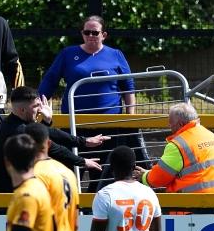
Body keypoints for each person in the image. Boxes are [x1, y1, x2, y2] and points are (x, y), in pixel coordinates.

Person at [38, 15, 146, 192]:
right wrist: (40, 104)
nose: (90, 36)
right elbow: (50, 81)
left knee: (104, 175)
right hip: (74, 126)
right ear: (82, 33)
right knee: (70, 171)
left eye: (95, 33)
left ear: (104, 35)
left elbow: (128, 86)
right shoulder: (67, 54)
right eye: (86, 32)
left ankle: (98, 204)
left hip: (108, 126)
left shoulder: (116, 55)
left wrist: (130, 117)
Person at [0, 86, 106, 192]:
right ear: (22, 110)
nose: (40, 110)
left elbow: (48, 132)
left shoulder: (15, 122)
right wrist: (83, 161)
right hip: (7, 194)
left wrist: (84, 141)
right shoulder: (19, 130)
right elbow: (53, 147)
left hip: (18, 189)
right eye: (36, 106)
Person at [136, 103, 214, 193]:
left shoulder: (178, 145)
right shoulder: (212, 136)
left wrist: (144, 176)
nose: (169, 125)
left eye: (170, 122)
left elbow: (157, 179)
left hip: (195, 204)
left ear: (180, 124)